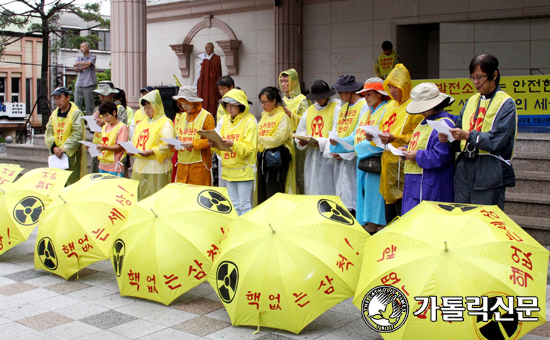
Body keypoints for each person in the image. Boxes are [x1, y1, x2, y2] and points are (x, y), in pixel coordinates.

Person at [439, 54, 517, 209]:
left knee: (486, 220)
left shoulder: (506, 104)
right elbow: (459, 131)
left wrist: (467, 135)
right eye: (473, 77)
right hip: (464, 170)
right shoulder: (471, 101)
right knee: (462, 217)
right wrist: (449, 137)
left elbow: (496, 140)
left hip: (489, 170)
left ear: (494, 75)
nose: (476, 82)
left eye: (480, 77)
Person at [331, 78, 389, 233]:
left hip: (377, 162)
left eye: (369, 94)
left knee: (376, 200)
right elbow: (355, 136)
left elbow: (385, 138)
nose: (366, 98)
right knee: (364, 200)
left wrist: (360, 147)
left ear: (379, 94)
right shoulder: (367, 112)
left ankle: (378, 231)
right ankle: (368, 230)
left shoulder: (386, 110)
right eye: (365, 94)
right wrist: (337, 142)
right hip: (363, 162)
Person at [371, 64, 423, 224]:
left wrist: (395, 137)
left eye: (396, 87)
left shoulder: (415, 107)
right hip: (387, 165)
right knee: (389, 216)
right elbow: (382, 131)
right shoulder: (389, 107)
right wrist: (372, 136)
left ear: (405, 86)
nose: (392, 90)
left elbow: (418, 137)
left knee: (402, 213)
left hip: (403, 166)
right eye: (390, 86)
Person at [400, 83, 456, 214]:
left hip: (432, 185)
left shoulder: (444, 123)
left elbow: (442, 156)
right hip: (416, 183)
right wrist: (406, 151)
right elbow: (420, 145)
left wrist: (417, 155)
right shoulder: (423, 122)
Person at [209, 89, 257, 215]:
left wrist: (233, 144)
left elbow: (250, 149)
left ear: (241, 105)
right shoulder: (224, 121)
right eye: (227, 106)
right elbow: (222, 152)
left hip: (243, 170)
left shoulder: (250, 122)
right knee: (234, 205)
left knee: (244, 205)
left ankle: (247, 231)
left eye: (232, 105)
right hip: (228, 170)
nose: (229, 109)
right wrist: (214, 145)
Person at [295, 80, 340, 196]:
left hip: (327, 155)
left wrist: (320, 142)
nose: (318, 100)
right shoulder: (310, 110)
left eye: (322, 97)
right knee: (312, 186)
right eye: (316, 97)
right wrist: (303, 140)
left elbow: (337, 131)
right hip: (312, 154)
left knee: (327, 186)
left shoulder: (336, 108)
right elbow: (302, 129)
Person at [330, 75, 368, 213]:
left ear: (350, 91)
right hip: (341, 155)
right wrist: (334, 147)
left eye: (341, 92)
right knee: (343, 190)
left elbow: (359, 133)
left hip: (354, 156)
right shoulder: (343, 107)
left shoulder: (363, 105)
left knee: (354, 191)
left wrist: (345, 151)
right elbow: (336, 128)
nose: (339, 95)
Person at [130, 90, 175, 200]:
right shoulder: (142, 123)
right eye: (145, 108)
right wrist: (131, 149)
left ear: (157, 106)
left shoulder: (165, 123)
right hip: (139, 165)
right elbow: (134, 139)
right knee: (139, 197)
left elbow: (167, 144)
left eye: (149, 107)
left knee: (155, 198)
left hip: (156, 167)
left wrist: (152, 151)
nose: (147, 111)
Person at [257, 86, 296, 204]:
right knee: (262, 193)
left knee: (274, 193)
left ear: (274, 101)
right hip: (263, 159)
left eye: (265, 102)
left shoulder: (282, 116)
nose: (263, 105)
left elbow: (279, 138)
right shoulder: (264, 116)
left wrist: (260, 139)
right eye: (261, 102)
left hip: (276, 161)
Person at [170, 86, 215, 186]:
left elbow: (212, 141)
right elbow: (178, 137)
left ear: (194, 102)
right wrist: (172, 146)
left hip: (199, 167)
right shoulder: (182, 117)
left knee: (199, 197)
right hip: (182, 166)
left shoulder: (206, 117)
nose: (184, 107)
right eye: (181, 104)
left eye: (186, 104)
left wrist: (194, 144)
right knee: (183, 197)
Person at [45, 87, 87, 185]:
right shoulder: (54, 114)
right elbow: (48, 132)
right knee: (57, 183)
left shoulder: (76, 113)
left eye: (60, 97)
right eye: (55, 98)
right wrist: (54, 147)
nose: (57, 101)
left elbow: (77, 134)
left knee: (71, 182)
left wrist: (63, 148)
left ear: (68, 97)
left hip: (71, 155)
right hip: (56, 155)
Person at [279, 68, 309, 194]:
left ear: (294, 82)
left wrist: (290, 114)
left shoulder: (302, 100)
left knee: (298, 171)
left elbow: (307, 120)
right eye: (281, 81)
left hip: (297, 140)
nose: (283, 84)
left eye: (286, 81)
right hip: (284, 140)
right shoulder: (281, 100)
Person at [91, 81, 127, 173]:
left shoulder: (119, 108)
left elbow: (120, 128)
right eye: (100, 94)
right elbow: (90, 128)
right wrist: (92, 119)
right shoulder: (97, 109)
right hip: (98, 147)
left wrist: (104, 124)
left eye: (104, 94)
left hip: (113, 154)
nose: (102, 97)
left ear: (112, 94)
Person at [96, 101, 129, 177]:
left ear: (114, 113)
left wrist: (104, 147)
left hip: (114, 167)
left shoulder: (122, 128)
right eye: (104, 116)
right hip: (102, 164)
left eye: (107, 115)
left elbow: (120, 146)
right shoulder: (104, 127)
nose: (105, 118)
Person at [195, 43, 222, 118]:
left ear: (213, 47)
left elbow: (216, 73)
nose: (207, 49)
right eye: (205, 48)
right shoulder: (204, 59)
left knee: (212, 104)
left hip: (212, 86)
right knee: (203, 104)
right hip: (204, 87)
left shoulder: (216, 58)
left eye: (208, 48)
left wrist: (206, 62)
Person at [73, 42, 97, 116]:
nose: (81, 49)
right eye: (81, 47)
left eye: (83, 47)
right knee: (77, 103)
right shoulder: (79, 57)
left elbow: (89, 63)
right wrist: (80, 67)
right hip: (79, 83)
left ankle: (90, 124)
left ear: (88, 48)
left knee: (89, 104)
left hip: (89, 83)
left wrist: (78, 64)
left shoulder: (92, 56)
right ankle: (78, 121)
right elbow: (75, 68)